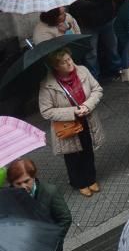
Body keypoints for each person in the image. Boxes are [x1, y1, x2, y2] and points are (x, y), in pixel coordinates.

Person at [38, 48, 104, 197]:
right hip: (68, 125)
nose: (69, 63)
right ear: (56, 67)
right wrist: (72, 111)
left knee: (88, 149)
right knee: (72, 155)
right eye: (64, 62)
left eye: (69, 59)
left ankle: (91, 178)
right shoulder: (48, 84)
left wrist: (87, 105)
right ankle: (79, 182)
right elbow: (46, 111)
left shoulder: (83, 71)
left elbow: (97, 90)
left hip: (87, 118)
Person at [68, 0, 121, 81]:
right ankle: (95, 79)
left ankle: (117, 71)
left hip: (107, 19)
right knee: (91, 54)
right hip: (88, 23)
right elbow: (77, 4)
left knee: (112, 47)